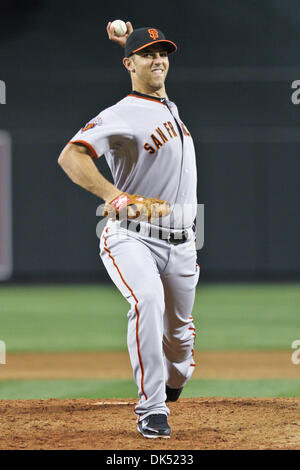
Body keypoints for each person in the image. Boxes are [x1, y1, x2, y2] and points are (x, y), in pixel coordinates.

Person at [58, 23, 199, 439]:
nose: (159, 60)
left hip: (183, 242)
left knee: (179, 342)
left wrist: (134, 42)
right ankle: (152, 408)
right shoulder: (121, 112)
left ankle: (173, 384)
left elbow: (155, 90)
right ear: (128, 65)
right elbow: (72, 156)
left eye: (163, 54)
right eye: (148, 54)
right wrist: (115, 196)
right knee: (147, 301)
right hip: (130, 234)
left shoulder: (168, 108)